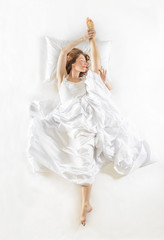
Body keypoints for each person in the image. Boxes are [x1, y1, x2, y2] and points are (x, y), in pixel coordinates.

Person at [26, 18, 156, 226]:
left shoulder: (89, 79)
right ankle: (85, 203)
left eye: (86, 61)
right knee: (82, 154)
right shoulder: (63, 79)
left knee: (96, 80)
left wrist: (94, 45)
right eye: (81, 60)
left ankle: (85, 203)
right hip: (71, 119)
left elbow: (103, 78)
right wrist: (83, 38)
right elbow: (61, 54)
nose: (85, 63)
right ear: (72, 62)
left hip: (89, 115)